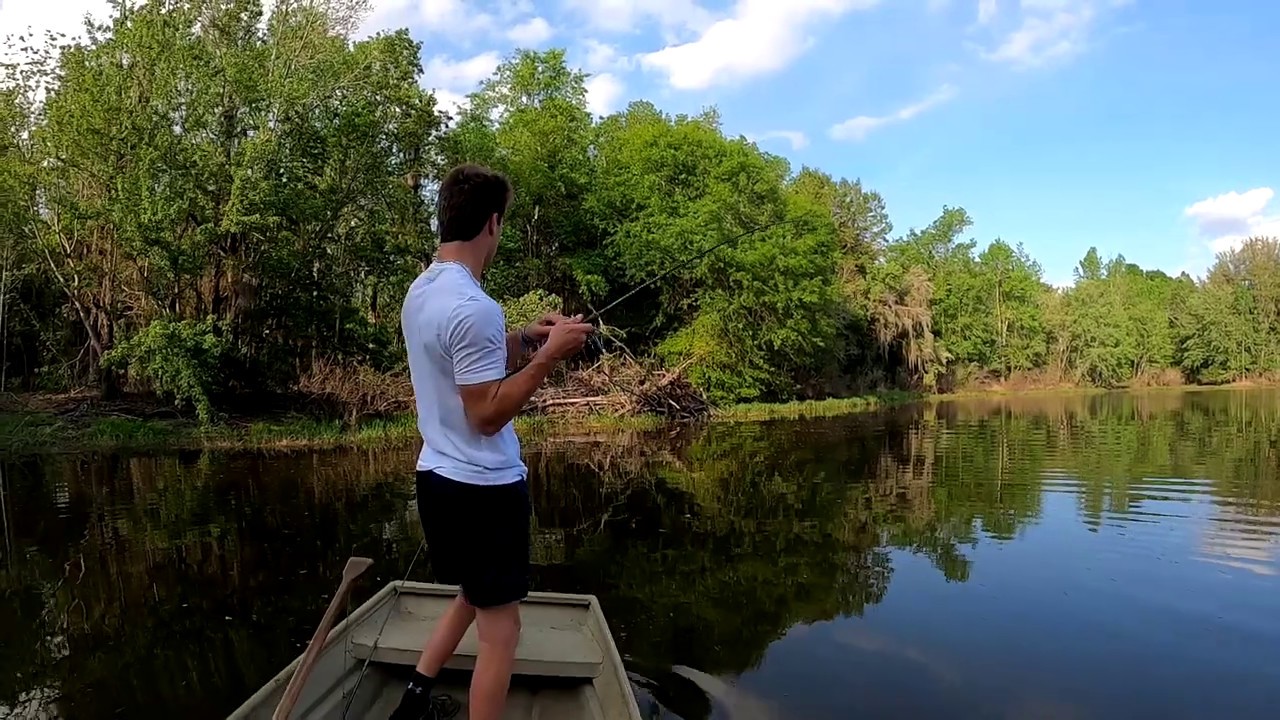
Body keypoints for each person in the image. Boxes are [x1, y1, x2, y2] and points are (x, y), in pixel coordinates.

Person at [390, 164, 595, 720]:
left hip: (437, 482)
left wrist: (527, 339)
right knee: (502, 632)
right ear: (493, 224)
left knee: (475, 592)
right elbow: (485, 414)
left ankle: (415, 693)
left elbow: (468, 366)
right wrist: (550, 358)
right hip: (484, 493)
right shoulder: (474, 305)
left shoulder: (424, 289)